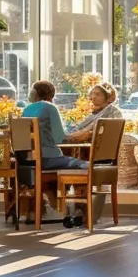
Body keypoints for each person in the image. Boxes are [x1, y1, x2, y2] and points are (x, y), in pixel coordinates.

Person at [19, 80, 87, 223]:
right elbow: (59, 138)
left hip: (29, 159)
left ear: (35, 94)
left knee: (65, 166)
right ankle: (79, 210)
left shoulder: (26, 110)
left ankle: (46, 208)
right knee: (82, 164)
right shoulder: (50, 108)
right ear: (51, 95)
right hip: (49, 158)